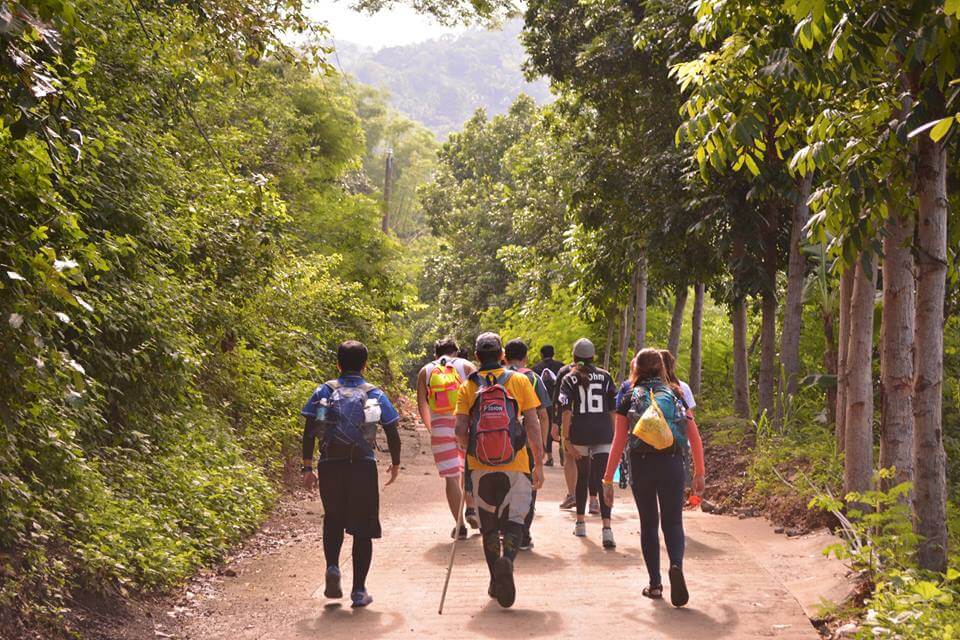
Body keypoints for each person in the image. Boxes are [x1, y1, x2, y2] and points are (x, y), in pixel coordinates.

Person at [301, 340, 402, 608]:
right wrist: (395, 463)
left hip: (330, 464)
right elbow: (391, 429)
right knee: (363, 527)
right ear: (365, 365)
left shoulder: (324, 391)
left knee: (333, 518)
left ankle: (333, 567)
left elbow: (310, 429)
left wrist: (307, 466)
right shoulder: (374, 394)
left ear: (338, 363)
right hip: (362, 465)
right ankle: (358, 591)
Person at [602, 348, 706, 608]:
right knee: (673, 523)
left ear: (636, 368)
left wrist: (607, 479)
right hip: (672, 464)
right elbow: (694, 437)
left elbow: (618, 440)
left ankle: (655, 585)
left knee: (649, 524)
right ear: (661, 367)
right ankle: (676, 565)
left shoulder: (627, 394)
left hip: (643, 465)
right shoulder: (676, 392)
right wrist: (699, 473)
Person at [455, 332, 545, 608]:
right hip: (516, 464)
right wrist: (538, 462)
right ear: (502, 354)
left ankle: (496, 577)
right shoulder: (519, 380)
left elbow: (460, 430)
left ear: (477, 357)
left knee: (489, 525)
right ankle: (508, 561)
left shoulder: (468, 386)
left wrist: (468, 457)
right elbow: (532, 423)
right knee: (515, 521)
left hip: (481, 466)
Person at [557, 338, 617, 548]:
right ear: (593, 357)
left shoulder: (568, 378)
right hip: (603, 433)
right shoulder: (606, 376)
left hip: (580, 433)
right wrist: (615, 435)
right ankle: (607, 529)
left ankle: (580, 523)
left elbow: (566, 410)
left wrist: (566, 438)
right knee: (603, 479)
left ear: (574, 357)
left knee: (583, 476)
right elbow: (613, 409)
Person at [416, 338, 479, 539]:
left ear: (436, 354)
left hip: (441, 427)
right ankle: (471, 508)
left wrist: (431, 428)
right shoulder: (467, 366)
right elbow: (479, 397)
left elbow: (422, 405)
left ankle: (459, 526)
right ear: (457, 352)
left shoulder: (426, 371)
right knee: (469, 468)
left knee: (451, 477)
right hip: (465, 424)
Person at [504, 338, 552, 550]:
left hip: (501, 439)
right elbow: (542, 415)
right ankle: (523, 533)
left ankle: (504, 530)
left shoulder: (497, 377)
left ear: (504, 357)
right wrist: (542, 446)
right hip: (526, 439)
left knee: (505, 483)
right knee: (529, 486)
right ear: (525, 357)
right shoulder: (533, 378)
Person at [552, 360, 600, 514]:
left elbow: (558, 400)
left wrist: (556, 422)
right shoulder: (599, 374)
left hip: (572, 421)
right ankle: (593, 500)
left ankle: (572, 494)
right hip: (594, 422)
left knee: (569, 457)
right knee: (591, 459)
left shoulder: (565, 371)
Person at [658, 350, 706, 497]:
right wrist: (699, 471)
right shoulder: (682, 387)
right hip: (678, 444)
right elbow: (689, 419)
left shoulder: (647, 389)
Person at [532, 345, 564, 466]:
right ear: (553, 353)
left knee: (547, 427)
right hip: (560, 401)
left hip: (542, 402)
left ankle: (549, 456)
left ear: (541, 354)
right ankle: (563, 456)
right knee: (560, 426)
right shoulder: (560, 366)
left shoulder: (536, 368)